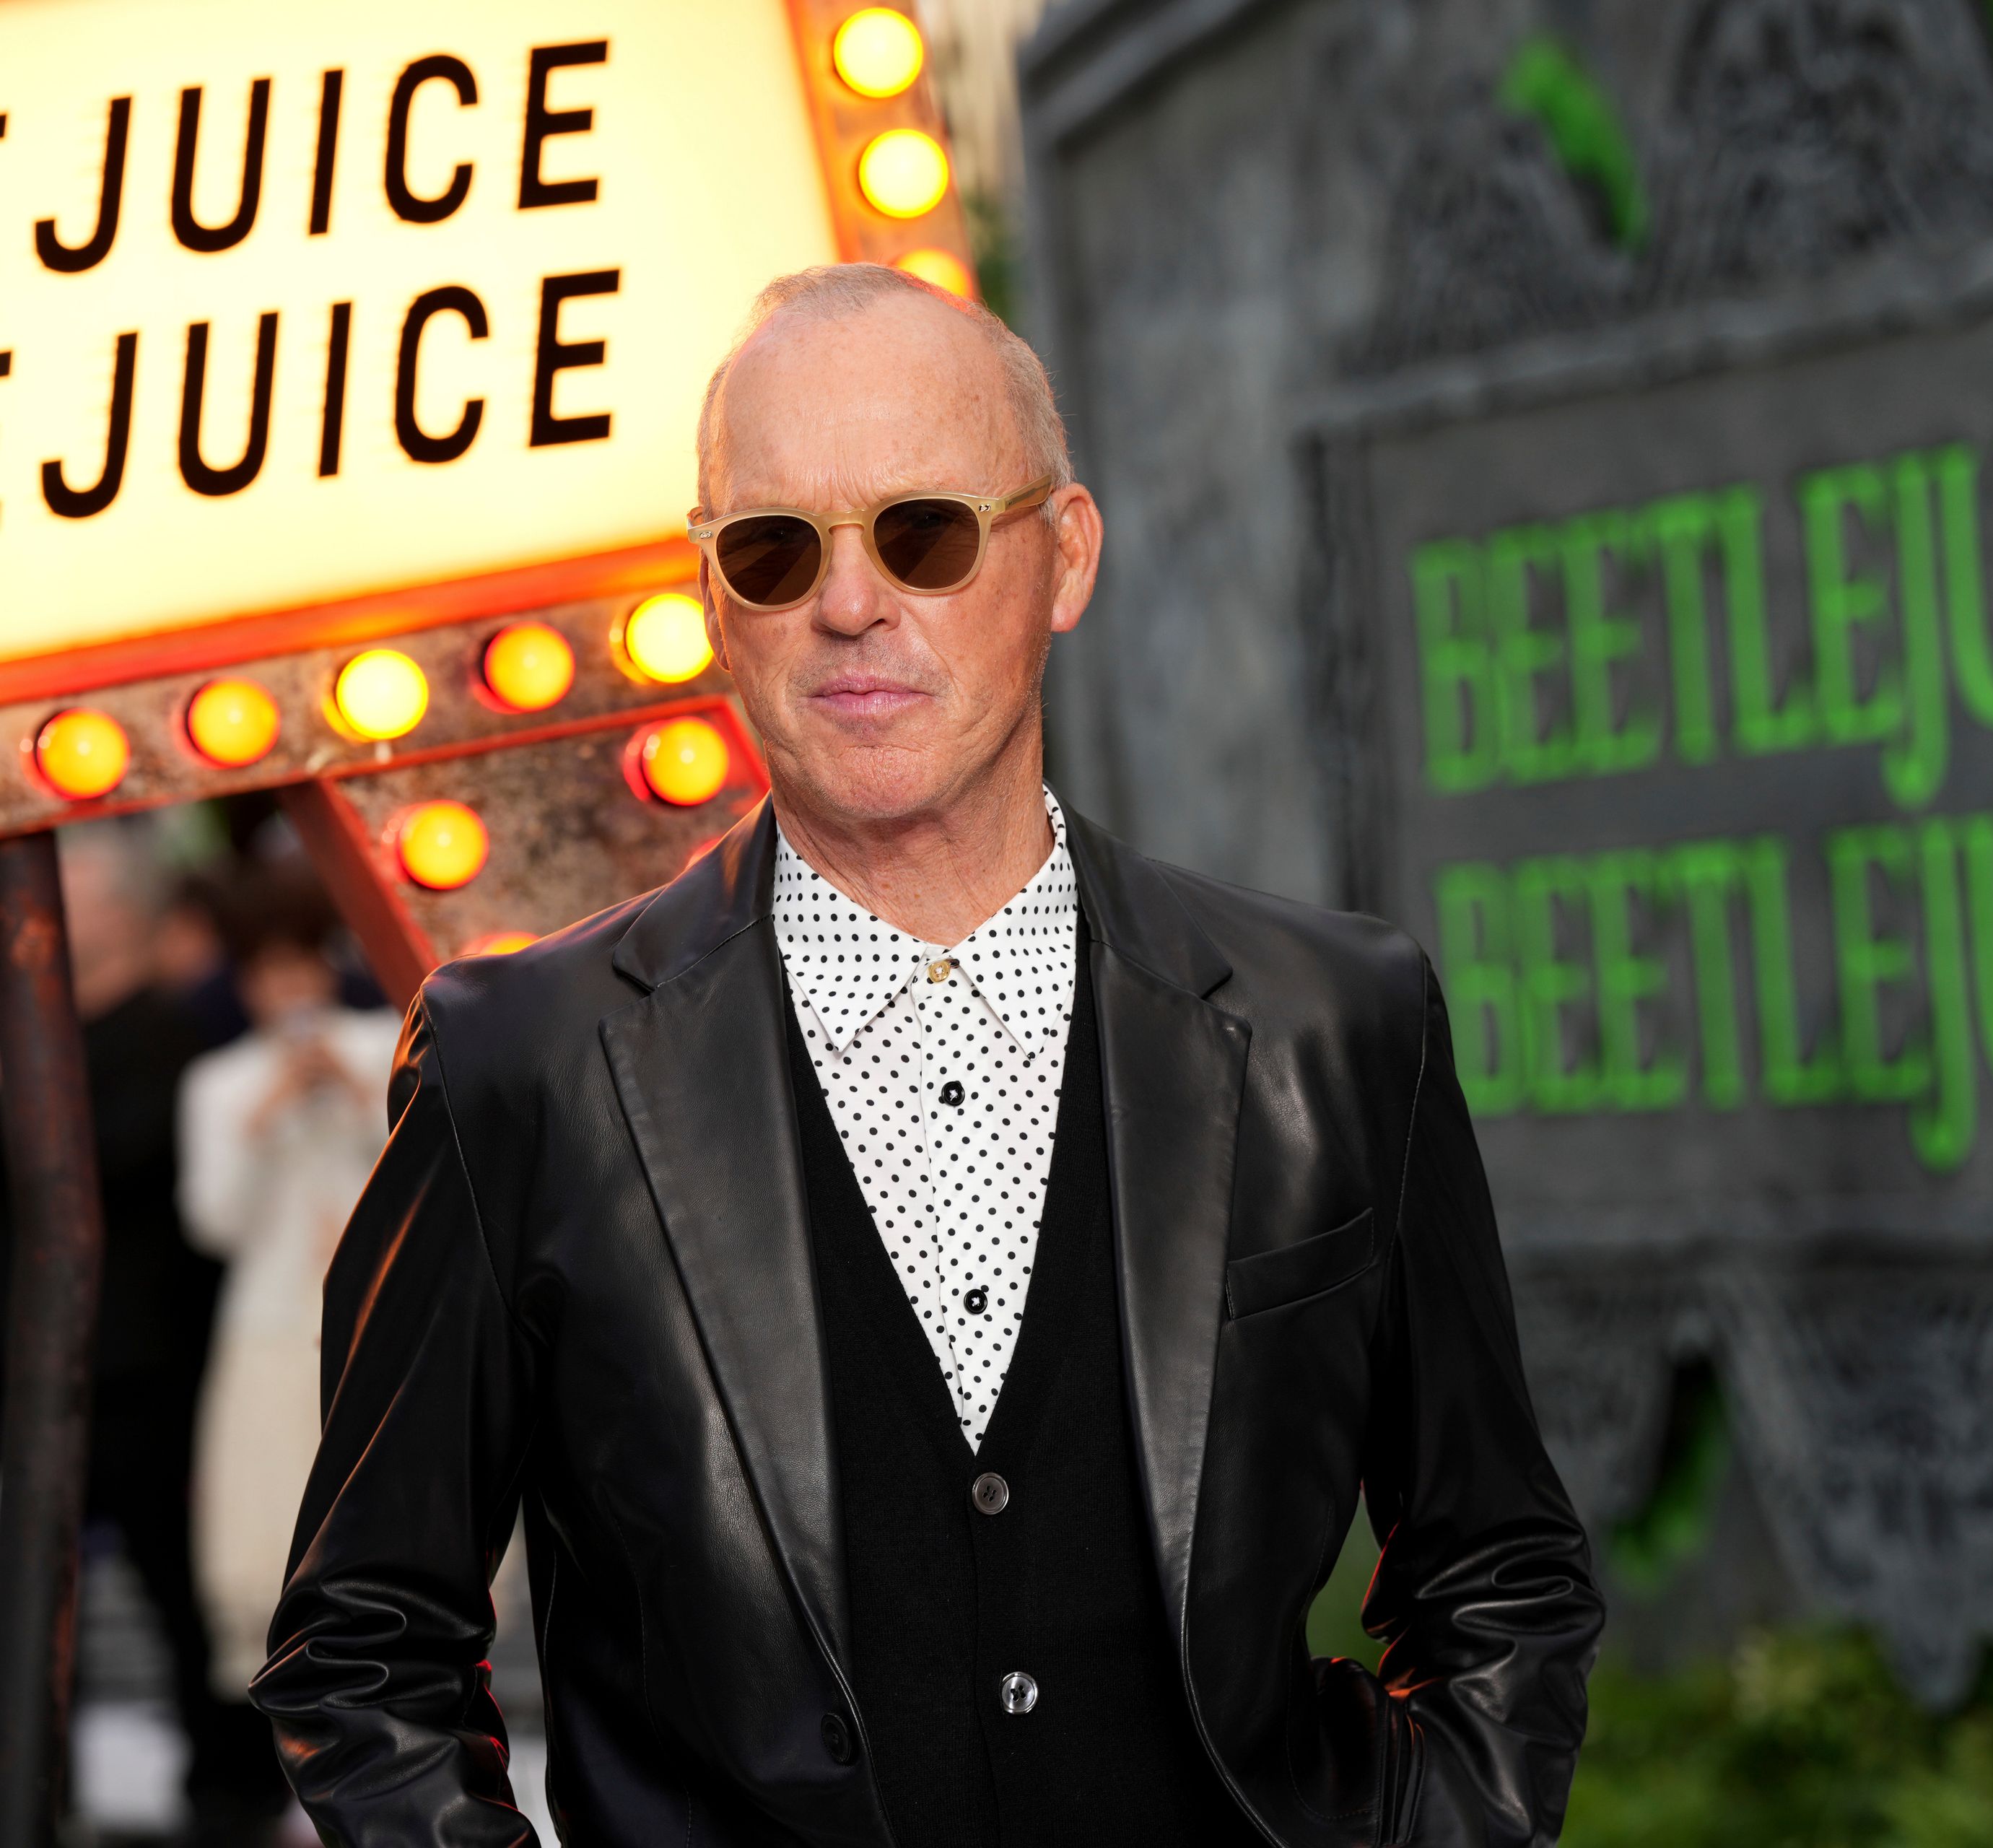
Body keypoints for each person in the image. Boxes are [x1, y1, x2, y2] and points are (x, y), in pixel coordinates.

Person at [253, 263, 1602, 1847]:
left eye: (926, 532)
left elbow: (1496, 1570)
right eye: (773, 549)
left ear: (1066, 554)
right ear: (711, 597)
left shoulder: (1333, 1022)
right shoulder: (524, 1068)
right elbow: (364, 1648)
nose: (848, 602)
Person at [48, 828, 289, 1836]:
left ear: (123, 914)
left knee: (187, 1597)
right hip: (52, 1378)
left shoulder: (170, 1041)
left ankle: (230, 1794)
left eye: (70, 892)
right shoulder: (39, 1046)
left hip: (155, 1367)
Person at [178, 865, 399, 1709]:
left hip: (379, 1322)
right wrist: (265, 1117)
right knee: (278, 1544)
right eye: (269, 975)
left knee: (390, 1530)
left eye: (301, 967)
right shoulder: (218, 1084)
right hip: (270, 1333)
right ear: (246, 984)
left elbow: (433, 1174)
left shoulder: (384, 1045)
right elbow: (213, 1223)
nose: (289, 989)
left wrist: (348, 1099)